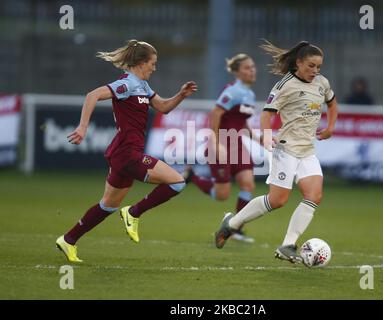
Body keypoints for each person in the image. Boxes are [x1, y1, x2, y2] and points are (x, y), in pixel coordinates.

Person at [56, 39, 197, 262]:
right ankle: (134, 212)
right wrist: (82, 127)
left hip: (123, 153)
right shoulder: (127, 84)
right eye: (153, 62)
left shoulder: (142, 86)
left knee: (108, 205)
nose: (154, 67)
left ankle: (69, 239)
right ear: (141, 62)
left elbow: (162, 107)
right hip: (128, 154)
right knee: (177, 181)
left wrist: (180, 95)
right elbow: (92, 95)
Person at [214, 40, 338, 264]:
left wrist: (330, 127)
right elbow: (266, 114)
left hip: (307, 150)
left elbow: (332, 102)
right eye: (311, 66)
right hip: (286, 149)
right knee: (277, 200)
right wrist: (266, 134)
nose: (315, 71)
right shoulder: (285, 86)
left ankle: (288, 245)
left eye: (319, 67)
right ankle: (231, 224)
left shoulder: (322, 83)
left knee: (314, 196)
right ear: (298, 63)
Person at [184, 54, 258, 243]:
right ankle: (192, 176)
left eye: (253, 67)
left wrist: (257, 137)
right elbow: (215, 113)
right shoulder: (232, 91)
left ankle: (236, 228)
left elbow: (240, 123)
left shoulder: (250, 94)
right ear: (237, 72)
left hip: (237, 144)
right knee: (222, 195)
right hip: (222, 143)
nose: (252, 70)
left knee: (248, 184)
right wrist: (216, 142)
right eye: (247, 67)